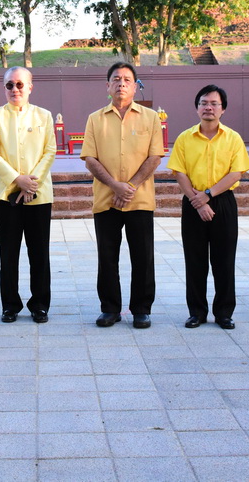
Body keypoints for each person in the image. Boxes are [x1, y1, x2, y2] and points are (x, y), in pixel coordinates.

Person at [81, 62, 164, 329]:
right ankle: (110, 308)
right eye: (116, 79)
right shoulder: (95, 119)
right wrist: (115, 186)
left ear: (136, 85)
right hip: (106, 200)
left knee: (143, 256)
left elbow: (155, 156)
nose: (121, 84)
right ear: (107, 86)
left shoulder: (150, 117)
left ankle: (141, 309)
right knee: (107, 257)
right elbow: (90, 159)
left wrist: (129, 186)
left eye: (127, 79)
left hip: (139, 199)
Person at [167, 85, 249, 330]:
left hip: (222, 201)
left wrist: (208, 195)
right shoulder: (185, 138)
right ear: (197, 107)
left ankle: (224, 312)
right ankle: (197, 312)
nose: (208, 108)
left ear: (223, 109)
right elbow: (179, 171)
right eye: (204, 103)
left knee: (224, 260)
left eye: (214, 103)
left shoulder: (233, 138)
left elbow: (237, 172)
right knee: (195, 261)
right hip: (192, 201)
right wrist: (197, 199)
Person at [0, 66, 56, 324]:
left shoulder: (44, 116)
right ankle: (10, 305)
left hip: (39, 195)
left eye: (20, 84)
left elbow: (50, 151)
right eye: (10, 85)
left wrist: (31, 183)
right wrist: (18, 180)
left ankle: (40, 305)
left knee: (39, 254)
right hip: (6, 196)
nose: (15, 89)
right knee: (9, 254)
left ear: (30, 87)